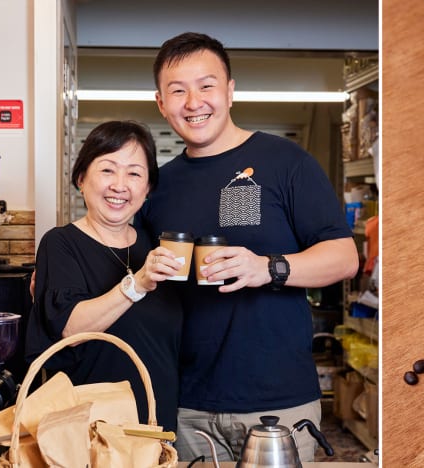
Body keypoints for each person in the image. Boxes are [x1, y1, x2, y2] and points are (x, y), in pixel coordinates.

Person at [136, 32, 359, 462]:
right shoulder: (159, 185)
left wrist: (267, 268)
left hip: (277, 400)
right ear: (161, 103)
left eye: (206, 86)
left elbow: (344, 257)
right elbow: (139, 270)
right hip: (186, 405)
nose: (193, 101)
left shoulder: (285, 162)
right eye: (177, 90)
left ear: (230, 91)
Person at [25, 120, 185, 432]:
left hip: (157, 424)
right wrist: (136, 284)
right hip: (88, 432)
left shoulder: (155, 244)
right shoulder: (60, 243)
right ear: (81, 178)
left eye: (134, 173)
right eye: (108, 170)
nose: (119, 185)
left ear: (148, 187)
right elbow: (71, 328)